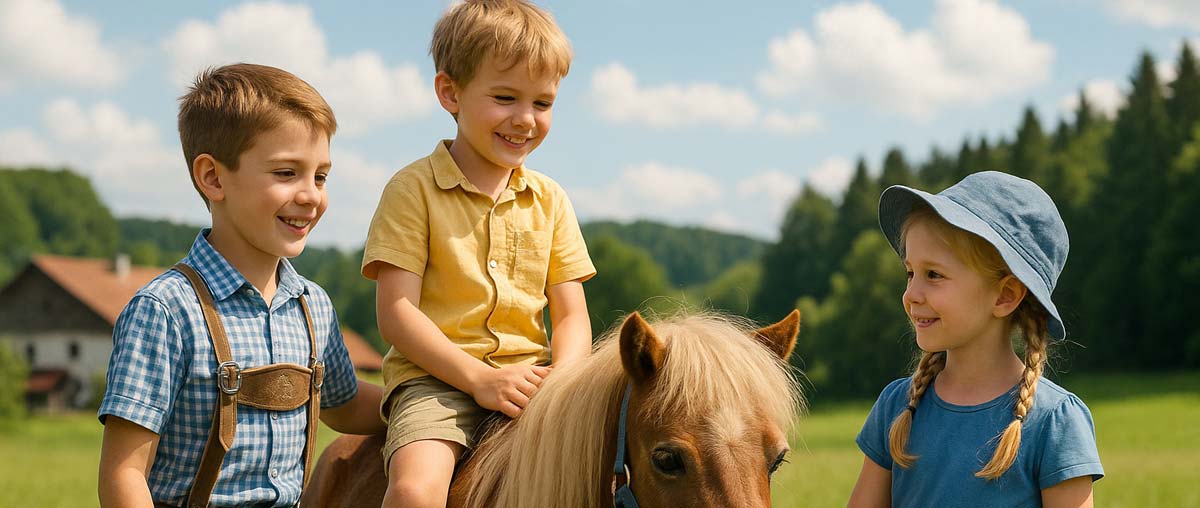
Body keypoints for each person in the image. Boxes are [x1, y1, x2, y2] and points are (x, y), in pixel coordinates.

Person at [97, 63, 385, 507]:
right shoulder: (166, 310)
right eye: (287, 173)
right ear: (213, 177)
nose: (310, 194)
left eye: (320, 176)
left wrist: (436, 397)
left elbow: (345, 407)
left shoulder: (313, 306)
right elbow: (124, 475)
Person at [360, 1, 595, 507]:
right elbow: (397, 314)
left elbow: (571, 312)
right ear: (450, 92)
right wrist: (481, 379)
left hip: (533, 384)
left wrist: (565, 381)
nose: (525, 120)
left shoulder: (551, 199)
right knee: (415, 492)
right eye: (506, 97)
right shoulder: (412, 190)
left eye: (543, 103)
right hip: (437, 384)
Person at [848, 171, 1104, 508]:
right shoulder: (896, 406)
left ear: (1004, 297)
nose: (911, 294)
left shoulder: (1055, 420)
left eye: (934, 275)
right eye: (910, 273)